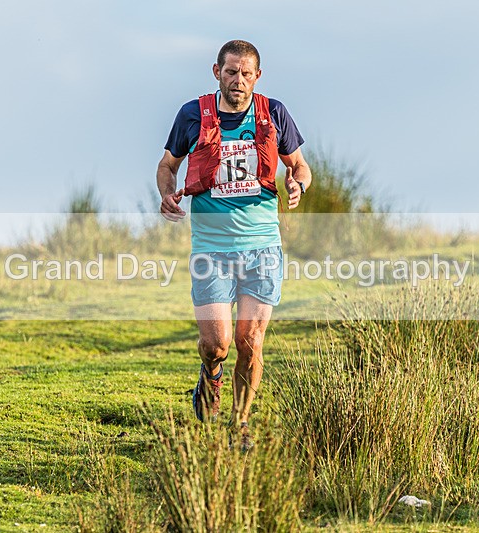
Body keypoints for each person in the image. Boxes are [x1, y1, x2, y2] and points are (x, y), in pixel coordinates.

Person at [156, 39, 312, 451]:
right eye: (230, 72)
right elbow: (167, 166)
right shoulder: (193, 114)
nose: (238, 80)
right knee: (217, 343)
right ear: (216, 72)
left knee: (251, 342)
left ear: (257, 76)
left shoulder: (273, 113)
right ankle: (210, 374)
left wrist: (297, 183)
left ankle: (240, 424)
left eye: (246, 73)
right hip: (211, 248)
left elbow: (299, 165)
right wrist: (168, 194)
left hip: (262, 246)